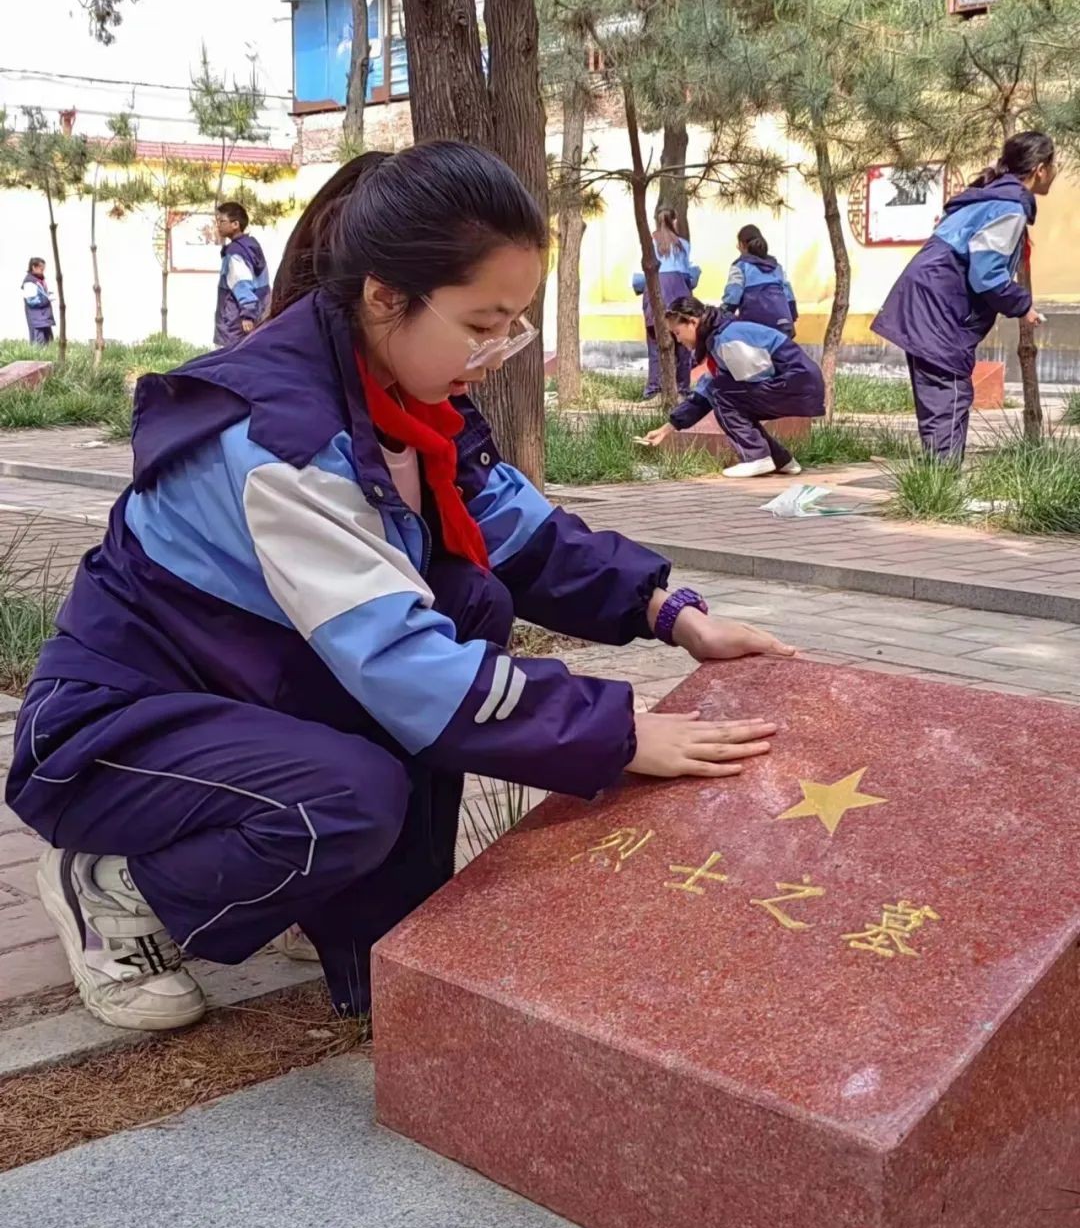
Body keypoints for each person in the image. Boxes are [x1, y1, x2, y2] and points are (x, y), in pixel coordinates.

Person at [7, 141, 794, 1034]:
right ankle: (116, 886)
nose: (499, 353)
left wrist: (673, 613)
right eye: (480, 322)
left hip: (262, 698)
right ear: (385, 297)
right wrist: (616, 733)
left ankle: (327, 888)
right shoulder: (284, 444)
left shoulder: (413, 404)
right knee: (345, 801)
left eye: (515, 324)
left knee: (471, 604)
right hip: (123, 731)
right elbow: (402, 665)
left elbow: (524, 537)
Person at [871, 131, 1056, 461]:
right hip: (937, 310)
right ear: (1040, 168)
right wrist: (1022, 305)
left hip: (925, 303)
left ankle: (937, 482)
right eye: (1054, 166)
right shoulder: (1008, 207)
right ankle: (940, 491)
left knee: (941, 397)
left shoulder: (987, 198)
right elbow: (986, 273)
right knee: (950, 395)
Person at [643, 297, 824, 478]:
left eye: (677, 332)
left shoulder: (727, 338)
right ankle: (780, 460)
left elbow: (742, 383)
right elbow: (705, 394)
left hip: (798, 382)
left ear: (692, 322)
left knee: (724, 395)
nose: (678, 340)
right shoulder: (718, 337)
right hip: (796, 383)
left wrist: (722, 389)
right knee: (724, 394)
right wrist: (667, 428)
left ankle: (757, 457)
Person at [631, 206, 701, 399]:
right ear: (675, 221)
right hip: (679, 295)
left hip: (654, 295)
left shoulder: (648, 243)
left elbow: (637, 281)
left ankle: (654, 389)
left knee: (655, 344)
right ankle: (683, 388)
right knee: (683, 344)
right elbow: (690, 278)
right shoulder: (683, 245)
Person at [722, 225, 798, 337]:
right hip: (783, 325)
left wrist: (722, 314)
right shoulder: (777, 266)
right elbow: (789, 295)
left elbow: (733, 296)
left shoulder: (740, 266)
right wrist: (791, 317)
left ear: (742, 245)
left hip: (756, 326)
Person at [214, 201, 271, 347]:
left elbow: (242, 284)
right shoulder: (251, 245)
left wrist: (247, 315)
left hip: (237, 321)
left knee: (231, 360)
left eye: (222, 221)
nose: (218, 225)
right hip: (260, 311)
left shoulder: (235, 252)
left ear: (235, 224)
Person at [21, 257, 55, 346]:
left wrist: (47, 295)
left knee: (49, 341)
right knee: (39, 343)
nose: (43, 270)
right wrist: (47, 299)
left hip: (44, 318)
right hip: (37, 318)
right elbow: (31, 301)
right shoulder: (29, 282)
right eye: (41, 268)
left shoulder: (40, 280)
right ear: (34, 267)